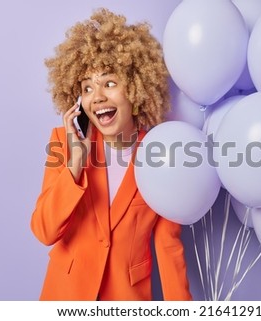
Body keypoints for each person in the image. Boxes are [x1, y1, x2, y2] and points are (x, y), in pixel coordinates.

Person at [30, 8, 192, 301]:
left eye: (109, 82)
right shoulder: (62, 144)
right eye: (87, 88)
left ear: (135, 87)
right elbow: (44, 231)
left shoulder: (159, 154)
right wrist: (75, 163)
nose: (98, 96)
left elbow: (167, 245)